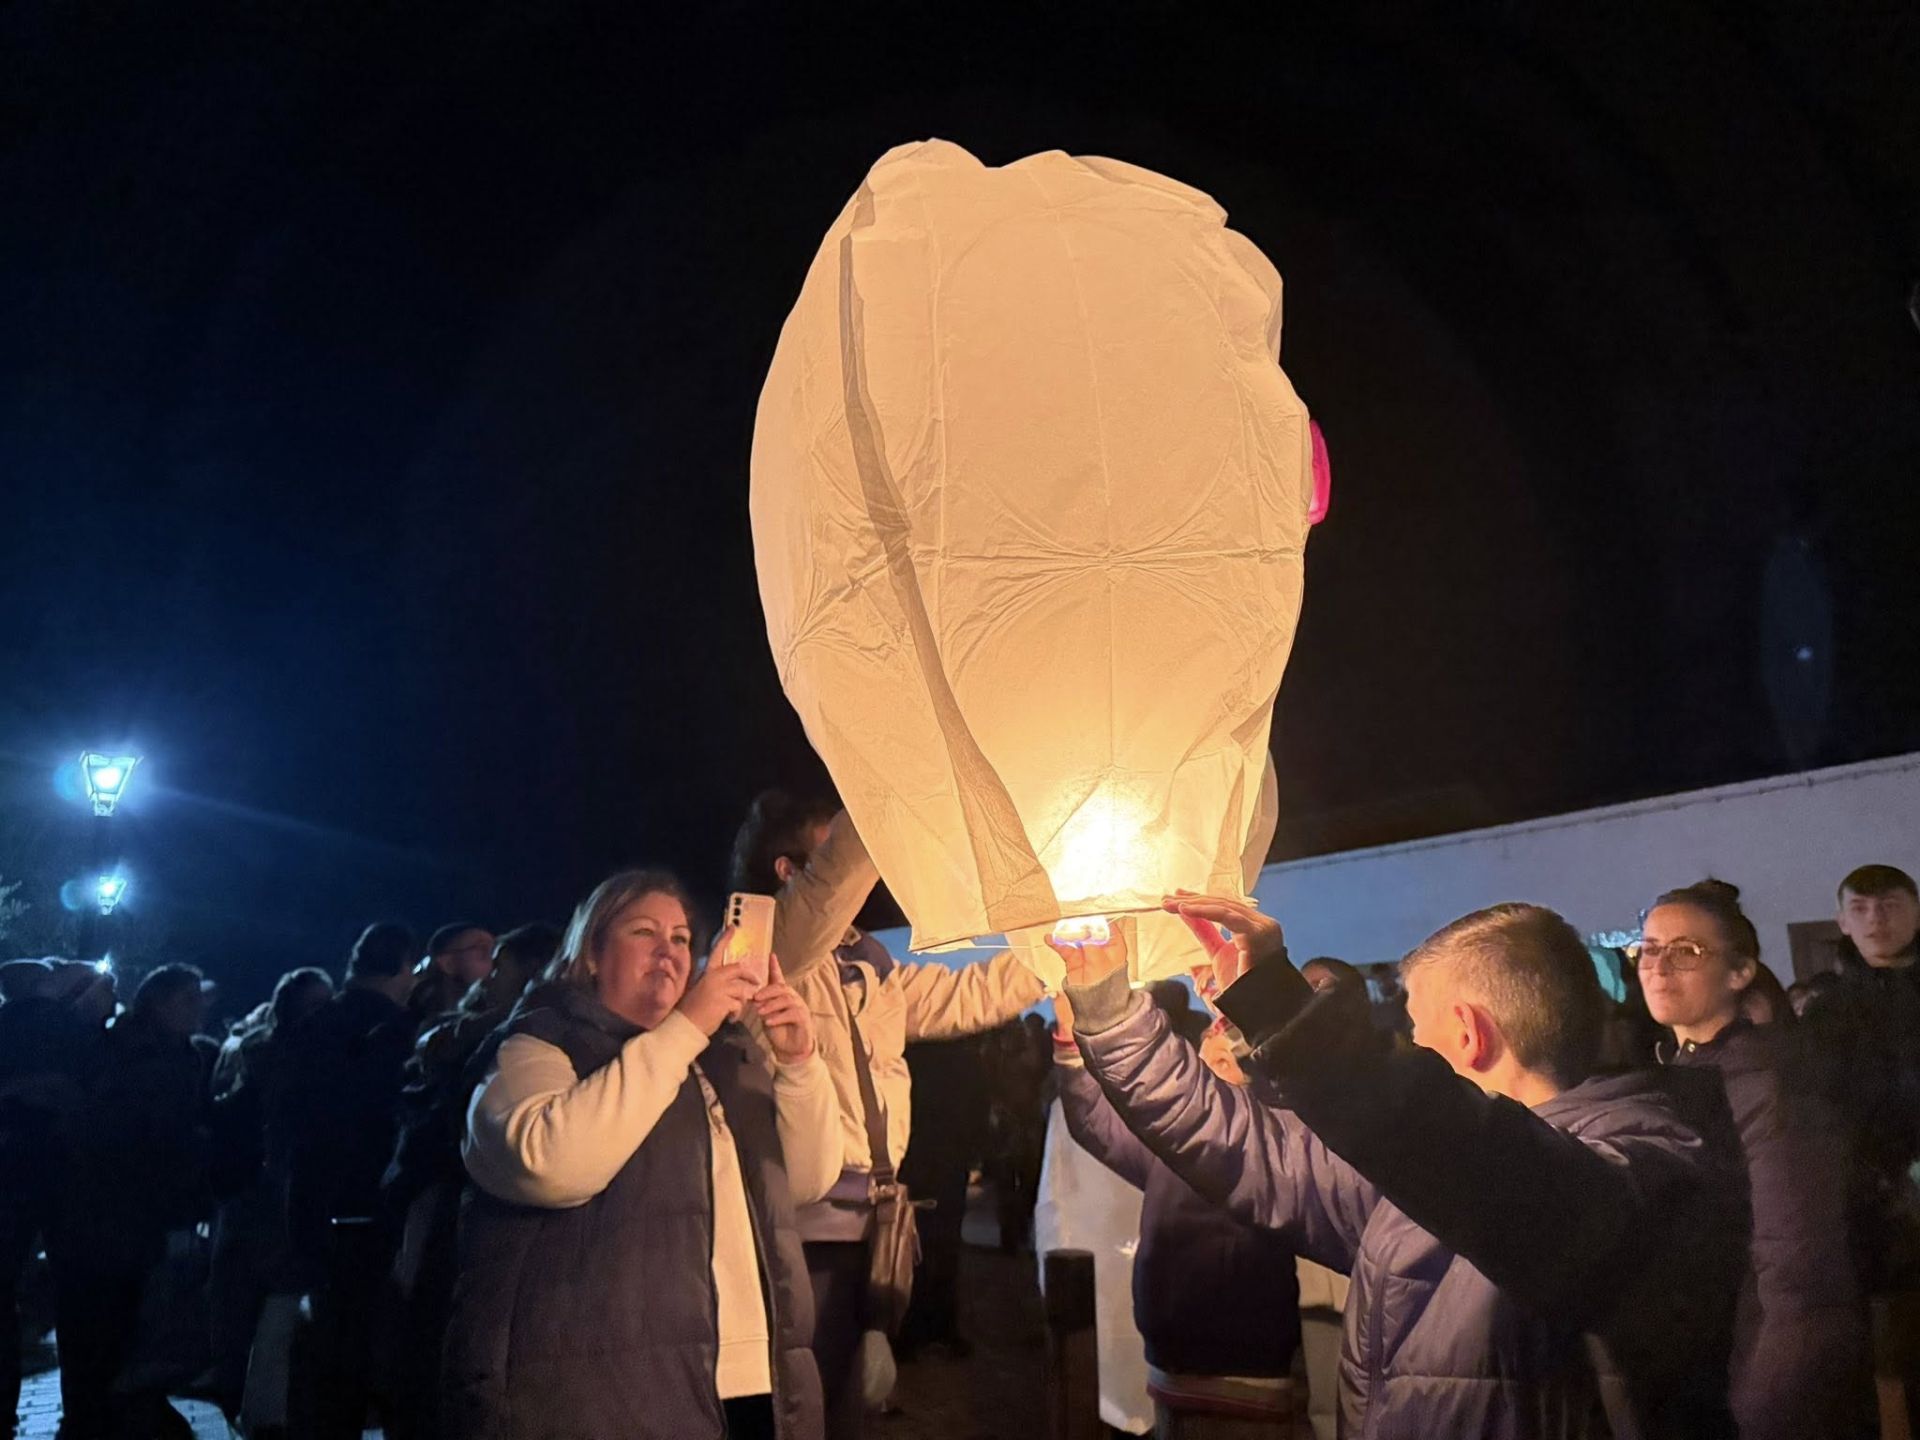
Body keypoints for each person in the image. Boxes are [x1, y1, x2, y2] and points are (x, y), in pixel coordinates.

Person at [1056, 894, 1745, 1439]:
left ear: (1469, 1035)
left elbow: (1496, 1169)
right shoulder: (1417, 1181)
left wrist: (1280, 1010)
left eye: (1415, 1029)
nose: (1407, 1043)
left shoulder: (1644, 1172)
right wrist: (1109, 1009)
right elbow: (1242, 1145)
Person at [447, 870, 839, 1440]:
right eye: (643, 932)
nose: (668, 951)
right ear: (591, 954)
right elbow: (549, 1166)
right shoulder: (536, 1045)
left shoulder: (723, 1056)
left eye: (681, 938)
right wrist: (689, 1025)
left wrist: (800, 1066)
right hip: (608, 1393)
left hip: (756, 1375)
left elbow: (804, 1181)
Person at [732, 792, 1047, 1437]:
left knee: (848, 1400)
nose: (859, 875)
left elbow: (968, 994)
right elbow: (829, 890)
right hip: (797, 1220)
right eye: (827, 856)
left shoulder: (870, 966)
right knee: (797, 1408)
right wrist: (878, 788)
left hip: (870, 1218)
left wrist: (1057, 950)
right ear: (789, 871)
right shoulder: (762, 949)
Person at [1638, 879, 1871, 1438]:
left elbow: (1796, 1262)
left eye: (1686, 951)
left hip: (1769, 1373)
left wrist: (1762, 1403)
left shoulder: (1770, 1083)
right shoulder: (1682, 1073)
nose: (1659, 967)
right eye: (1648, 948)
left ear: (1740, 972)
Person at [1054, 990, 1303, 1439]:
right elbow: (1095, 1123)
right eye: (1202, 1061)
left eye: (1223, 1063)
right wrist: (1071, 1042)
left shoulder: (1269, 1147)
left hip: (1246, 1373)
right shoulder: (1173, 1144)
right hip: (1171, 1364)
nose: (1206, 1075)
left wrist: (1248, 1011)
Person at [379, 923, 560, 1440]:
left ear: (533, 972)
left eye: (499, 964)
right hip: (447, 1204)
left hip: (464, 1210)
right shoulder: (472, 1031)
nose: (489, 976)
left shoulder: (513, 1037)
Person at [268, 921, 420, 1439]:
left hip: (313, 1202)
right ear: (401, 967)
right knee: (375, 1347)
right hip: (374, 1208)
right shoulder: (396, 1031)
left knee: (329, 1348)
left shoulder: (312, 1026)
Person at [53, 964, 215, 1440]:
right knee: (105, 1325)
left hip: (135, 1214)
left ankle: (107, 1414)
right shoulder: (129, 1053)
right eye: (187, 999)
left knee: (125, 1327)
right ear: (157, 1004)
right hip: (110, 1213)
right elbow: (122, 1131)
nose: (198, 1008)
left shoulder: (178, 1055)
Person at [0, 961, 115, 1440]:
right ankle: (85, 1412)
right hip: (73, 1176)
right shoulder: (79, 1033)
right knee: (80, 1298)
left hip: (12, 1172)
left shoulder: (10, 1027)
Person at [405, 923, 495, 1027]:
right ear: (448, 964)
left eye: (496, 950)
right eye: (483, 950)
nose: (496, 958)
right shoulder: (406, 1028)